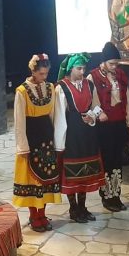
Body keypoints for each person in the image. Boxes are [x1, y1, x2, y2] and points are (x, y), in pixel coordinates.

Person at [54, 53, 107, 223]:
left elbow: (97, 105)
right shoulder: (61, 88)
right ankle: (73, 208)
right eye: (79, 68)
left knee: (85, 172)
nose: (82, 72)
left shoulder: (89, 84)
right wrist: (59, 142)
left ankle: (83, 207)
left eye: (84, 68)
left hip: (88, 134)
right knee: (72, 173)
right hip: (71, 135)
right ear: (71, 69)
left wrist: (93, 116)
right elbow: (59, 116)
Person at [13, 53, 62, 232]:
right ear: (33, 71)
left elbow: (53, 114)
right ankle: (34, 215)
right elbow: (19, 121)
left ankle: (42, 214)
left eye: (46, 73)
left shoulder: (50, 88)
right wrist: (22, 147)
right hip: (31, 138)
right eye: (41, 73)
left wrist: (57, 140)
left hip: (46, 139)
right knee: (32, 180)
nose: (44, 77)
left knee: (46, 178)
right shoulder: (22, 91)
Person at [89, 41, 129, 212]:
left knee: (117, 161)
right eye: (112, 63)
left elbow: (127, 99)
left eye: (116, 63)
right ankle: (107, 197)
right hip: (104, 126)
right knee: (107, 162)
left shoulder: (121, 75)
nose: (115, 67)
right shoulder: (93, 76)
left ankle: (116, 195)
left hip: (119, 123)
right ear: (104, 61)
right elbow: (91, 101)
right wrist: (100, 113)